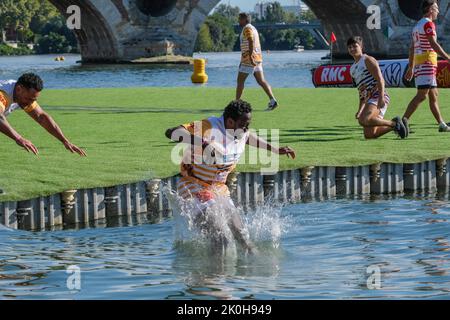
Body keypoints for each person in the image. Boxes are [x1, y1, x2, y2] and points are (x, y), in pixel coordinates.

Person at [165, 100, 296, 253]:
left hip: (218, 189)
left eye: (248, 124)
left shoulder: (240, 131)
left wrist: (275, 149)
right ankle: (212, 275)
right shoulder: (208, 127)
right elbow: (171, 132)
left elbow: (248, 137)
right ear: (229, 121)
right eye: (243, 124)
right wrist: (203, 143)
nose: (246, 128)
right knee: (222, 240)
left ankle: (253, 271)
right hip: (193, 186)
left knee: (243, 237)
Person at [0, 73, 86, 156]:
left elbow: (41, 117)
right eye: (28, 99)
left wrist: (65, 141)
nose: (30, 103)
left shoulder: (21, 92)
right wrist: (19, 138)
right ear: (19, 89)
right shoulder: (3, 94)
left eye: (33, 100)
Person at [348, 36, 408, 139]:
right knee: (370, 135)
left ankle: (394, 124)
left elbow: (381, 80)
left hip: (378, 95)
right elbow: (362, 93)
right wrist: (360, 109)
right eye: (349, 47)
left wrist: (381, 98)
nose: (352, 49)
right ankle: (397, 124)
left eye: (355, 46)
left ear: (361, 47)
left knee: (363, 120)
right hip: (369, 99)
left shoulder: (368, 60)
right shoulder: (352, 69)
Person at [403, 0, 450, 132]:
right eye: (436, 8)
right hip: (427, 64)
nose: (438, 11)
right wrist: (447, 57)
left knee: (433, 95)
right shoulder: (429, 24)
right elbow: (433, 44)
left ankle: (442, 124)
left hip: (422, 64)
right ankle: (403, 121)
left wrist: (411, 67)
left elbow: (412, 48)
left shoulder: (417, 25)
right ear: (430, 10)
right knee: (422, 95)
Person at [236, 13, 278, 111]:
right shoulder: (253, 28)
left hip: (249, 59)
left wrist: (250, 57)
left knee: (240, 81)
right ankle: (273, 100)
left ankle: (237, 104)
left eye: (239, 19)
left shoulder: (247, 28)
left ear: (244, 19)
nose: (238, 21)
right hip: (257, 59)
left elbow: (250, 41)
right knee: (261, 81)